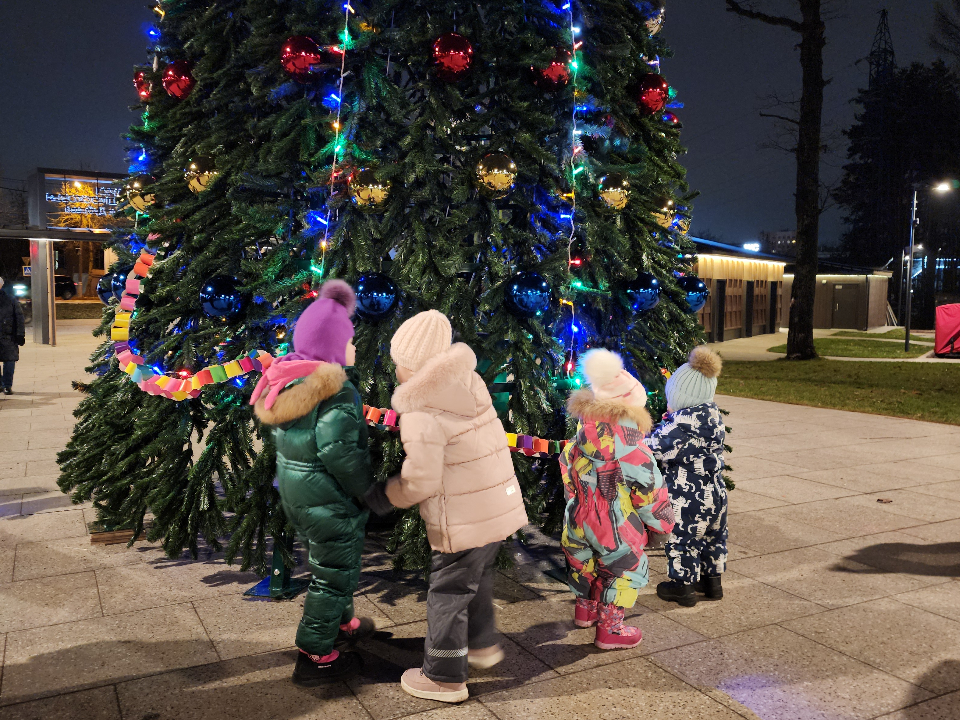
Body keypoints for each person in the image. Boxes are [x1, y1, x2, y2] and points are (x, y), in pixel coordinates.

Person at [364, 310, 528, 703]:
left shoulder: (421, 411)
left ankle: (443, 676)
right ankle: (481, 645)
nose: (396, 368)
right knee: (477, 577)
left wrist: (385, 496)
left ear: (414, 366)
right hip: (495, 506)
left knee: (449, 591)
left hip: (462, 515)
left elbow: (421, 480)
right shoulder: (467, 381)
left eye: (399, 361)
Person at [251, 280, 375, 685]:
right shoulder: (336, 393)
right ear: (332, 347)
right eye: (349, 339)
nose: (354, 346)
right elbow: (340, 453)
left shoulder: (289, 379)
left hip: (301, 495)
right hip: (330, 498)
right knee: (334, 572)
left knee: (333, 565)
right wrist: (365, 489)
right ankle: (316, 647)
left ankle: (342, 623)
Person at [560, 349, 675, 650]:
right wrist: (663, 524)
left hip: (578, 516)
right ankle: (610, 630)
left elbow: (567, 477)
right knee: (623, 568)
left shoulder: (577, 440)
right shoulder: (633, 447)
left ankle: (585, 611)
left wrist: (576, 503)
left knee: (583, 562)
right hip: (616, 524)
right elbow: (650, 491)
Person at [645, 346, 727, 607]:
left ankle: (682, 587)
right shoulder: (713, 418)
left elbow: (653, 448)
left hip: (688, 497)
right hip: (717, 494)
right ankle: (712, 582)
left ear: (682, 399)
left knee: (683, 539)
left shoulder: (680, 427)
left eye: (672, 398)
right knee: (714, 536)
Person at [0, 278, 26, 395]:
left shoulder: (10, 300)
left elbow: (19, 318)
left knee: (9, 361)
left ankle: (7, 385)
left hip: (8, 336)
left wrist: (20, 335)